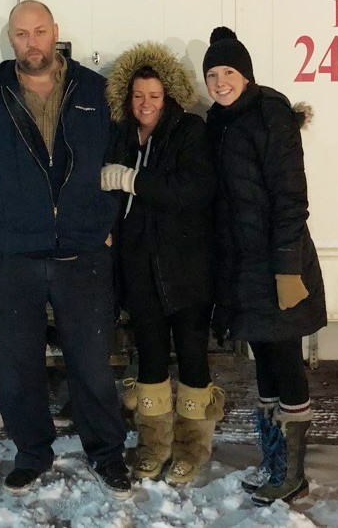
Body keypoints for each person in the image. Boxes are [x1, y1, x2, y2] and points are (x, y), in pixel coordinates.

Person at [0, 0, 131, 499]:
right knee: (17, 365)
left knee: (92, 363)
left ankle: (106, 453)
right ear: (11, 40)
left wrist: (107, 221)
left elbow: (120, 159)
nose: (32, 42)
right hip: (10, 255)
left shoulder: (96, 91)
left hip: (83, 252)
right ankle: (32, 453)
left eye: (39, 31)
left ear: (56, 31)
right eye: (21, 34)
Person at [203, 27, 327, 505]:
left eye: (227, 72)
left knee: (286, 362)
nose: (219, 82)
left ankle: (294, 475)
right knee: (267, 367)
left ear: (246, 75)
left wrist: (286, 269)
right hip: (243, 268)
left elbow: (291, 198)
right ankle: (275, 463)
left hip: (279, 266)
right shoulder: (218, 122)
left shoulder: (270, 115)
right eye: (212, 75)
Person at [100, 42, 225, 485]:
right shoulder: (121, 134)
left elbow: (193, 190)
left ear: (168, 96)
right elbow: (107, 194)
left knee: (192, 359)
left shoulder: (189, 131)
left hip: (187, 269)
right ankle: (154, 446)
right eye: (138, 96)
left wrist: (135, 180)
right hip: (138, 268)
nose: (146, 104)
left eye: (153, 96)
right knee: (150, 360)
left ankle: (192, 449)